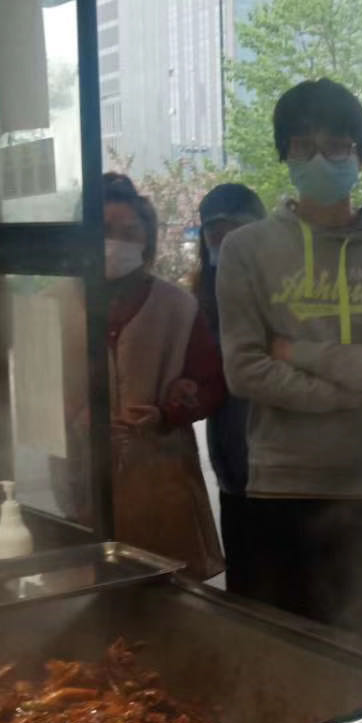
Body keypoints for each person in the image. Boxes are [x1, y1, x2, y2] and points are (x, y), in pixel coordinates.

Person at [217, 78, 362, 641]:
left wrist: (299, 352)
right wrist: (351, 393)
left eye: (337, 145)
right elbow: (244, 369)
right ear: (284, 154)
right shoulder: (246, 251)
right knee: (278, 650)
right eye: (303, 145)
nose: (320, 159)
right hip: (280, 486)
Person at [70, 173, 227, 577]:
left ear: (148, 241)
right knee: (83, 586)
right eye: (105, 230)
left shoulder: (177, 306)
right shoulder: (55, 302)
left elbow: (211, 384)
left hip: (161, 478)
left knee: (160, 591)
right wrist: (74, 417)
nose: (116, 242)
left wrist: (166, 412)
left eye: (129, 232)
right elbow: (32, 392)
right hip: (79, 480)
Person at [192, 183, 267, 596]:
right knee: (245, 585)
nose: (224, 241)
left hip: (281, 465)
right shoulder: (204, 295)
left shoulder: (282, 288)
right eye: (213, 232)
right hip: (232, 465)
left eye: (235, 229)